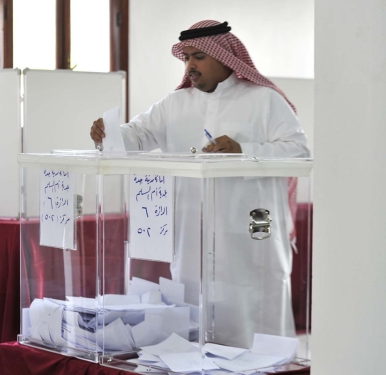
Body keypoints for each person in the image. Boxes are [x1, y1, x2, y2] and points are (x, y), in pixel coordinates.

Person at [90, 20, 309, 348]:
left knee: (253, 314)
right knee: (195, 312)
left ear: (225, 57)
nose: (190, 66)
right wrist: (109, 134)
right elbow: (136, 136)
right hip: (191, 235)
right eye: (187, 58)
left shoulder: (264, 100)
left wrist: (243, 150)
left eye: (199, 57)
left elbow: (299, 152)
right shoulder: (175, 104)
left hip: (249, 237)